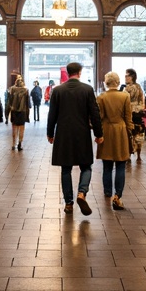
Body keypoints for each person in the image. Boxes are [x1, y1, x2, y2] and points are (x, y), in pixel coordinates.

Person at [47, 61, 102, 215]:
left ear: (68, 72)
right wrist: (98, 134)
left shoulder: (58, 91)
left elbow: (52, 115)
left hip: (63, 133)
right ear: (80, 72)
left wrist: (50, 133)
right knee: (86, 166)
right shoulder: (87, 89)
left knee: (66, 168)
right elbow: (95, 114)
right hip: (82, 132)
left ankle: (68, 203)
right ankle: (82, 193)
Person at [96, 71, 132, 210]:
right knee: (121, 164)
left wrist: (98, 133)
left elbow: (99, 117)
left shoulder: (101, 97)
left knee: (107, 165)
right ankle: (118, 193)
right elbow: (128, 117)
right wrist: (130, 132)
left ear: (106, 82)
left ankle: (107, 191)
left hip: (106, 130)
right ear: (117, 82)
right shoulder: (125, 96)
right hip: (121, 130)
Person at [123, 69, 146, 161]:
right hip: (138, 112)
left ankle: (128, 154)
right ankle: (139, 155)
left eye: (126, 76)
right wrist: (140, 108)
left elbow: (124, 101)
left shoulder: (127, 88)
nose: (125, 77)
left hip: (129, 113)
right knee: (138, 132)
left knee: (129, 133)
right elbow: (142, 100)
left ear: (131, 77)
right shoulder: (139, 87)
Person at [7, 75, 30, 151]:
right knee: (21, 128)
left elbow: (9, 102)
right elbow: (28, 103)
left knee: (14, 128)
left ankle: (13, 144)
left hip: (14, 111)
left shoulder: (12, 89)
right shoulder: (26, 90)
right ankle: (20, 143)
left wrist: (7, 112)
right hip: (22, 111)